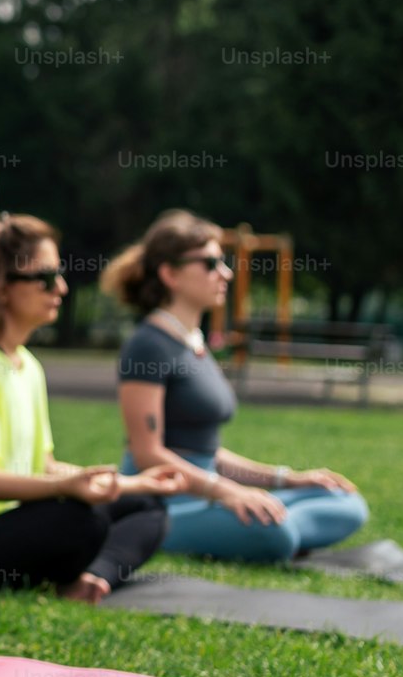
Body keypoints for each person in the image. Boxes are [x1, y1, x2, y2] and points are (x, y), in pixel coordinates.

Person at [0, 208, 187, 603]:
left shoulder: (27, 366)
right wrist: (65, 487)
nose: (62, 288)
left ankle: (93, 579)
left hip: (15, 523)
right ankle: (82, 573)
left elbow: (45, 464)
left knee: (145, 506)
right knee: (76, 520)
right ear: (2, 286)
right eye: (47, 278)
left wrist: (131, 483)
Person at [102, 210, 369, 562]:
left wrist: (288, 479)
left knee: (346, 502)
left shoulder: (194, 343)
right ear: (170, 274)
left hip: (206, 491)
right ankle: (258, 527)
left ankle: (267, 522)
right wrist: (227, 493)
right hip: (163, 502)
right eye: (211, 263)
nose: (225, 273)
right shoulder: (148, 345)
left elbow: (208, 454)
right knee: (274, 532)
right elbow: (147, 454)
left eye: (223, 262)